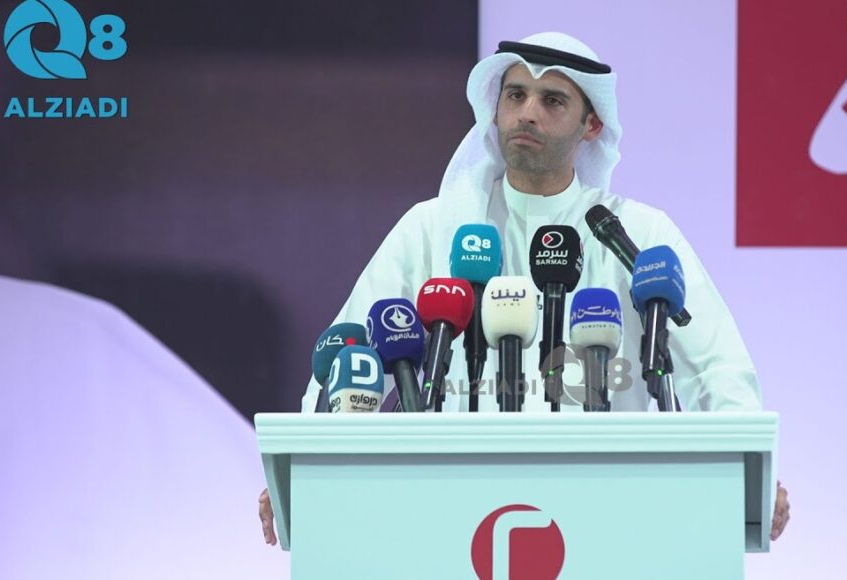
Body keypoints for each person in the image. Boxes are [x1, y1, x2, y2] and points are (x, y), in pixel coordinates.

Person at [260, 31, 790, 544]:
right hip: (447, 510)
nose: (528, 112)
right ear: (495, 110)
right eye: (515, 95)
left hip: (609, 510)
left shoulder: (637, 233)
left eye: (552, 100)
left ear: (591, 126)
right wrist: (303, 470)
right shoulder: (434, 227)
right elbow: (349, 357)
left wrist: (751, 473)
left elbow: (716, 364)